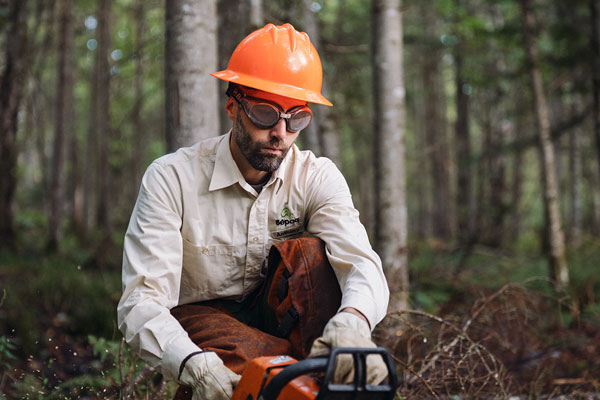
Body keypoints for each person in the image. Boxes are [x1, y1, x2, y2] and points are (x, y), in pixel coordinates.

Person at [117, 23, 390, 399]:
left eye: (296, 119)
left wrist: (354, 323)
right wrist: (189, 363)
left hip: (283, 316)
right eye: (265, 114)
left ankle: (321, 377)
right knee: (263, 369)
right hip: (204, 319)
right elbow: (141, 300)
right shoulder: (171, 178)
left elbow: (360, 261)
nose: (281, 133)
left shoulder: (316, 176)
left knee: (311, 255)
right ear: (233, 107)